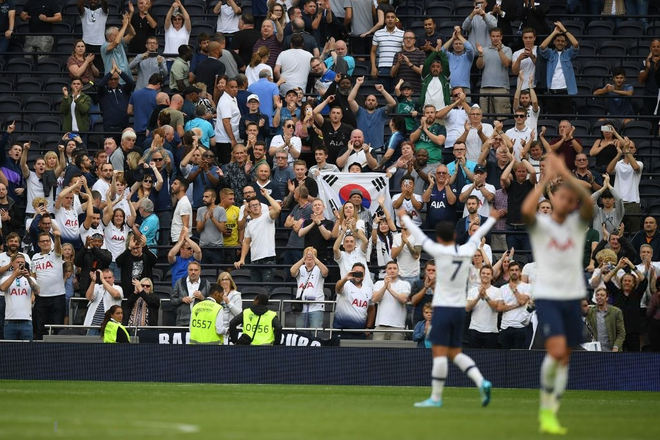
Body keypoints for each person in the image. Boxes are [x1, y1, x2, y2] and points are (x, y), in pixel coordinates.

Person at [520, 152, 594, 435]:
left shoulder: (577, 226)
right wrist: (544, 181)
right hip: (549, 296)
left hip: (572, 296)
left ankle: (551, 409)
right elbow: (527, 211)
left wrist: (566, 172)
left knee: (565, 357)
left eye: (568, 197)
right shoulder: (543, 226)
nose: (564, 201)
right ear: (551, 201)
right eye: (558, 197)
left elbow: (588, 203)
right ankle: (546, 409)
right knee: (557, 349)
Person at [398, 202, 496, 408]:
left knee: (439, 352)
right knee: (454, 353)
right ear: (454, 236)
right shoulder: (468, 249)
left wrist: (405, 218)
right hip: (460, 309)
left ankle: (435, 398)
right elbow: (477, 236)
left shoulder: (438, 251)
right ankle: (482, 381)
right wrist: (492, 219)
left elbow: (421, 236)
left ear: (440, 238)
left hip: (442, 308)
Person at [234, 189, 282, 282]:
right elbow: (246, 242)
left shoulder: (267, 217)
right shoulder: (249, 224)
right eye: (252, 205)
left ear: (261, 207)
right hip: (254, 260)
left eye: (257, 205)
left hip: (268, 259)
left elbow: (278, 208)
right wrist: (242, 259)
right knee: (255, 289)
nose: (255, 207)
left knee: (267, 290)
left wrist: (266, 195)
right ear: (249, 209)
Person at [603, 257, 648, 352]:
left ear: (633, 283)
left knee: (634, 361)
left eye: (629, 281)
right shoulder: (616, 293)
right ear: (621, 282)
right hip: (618, 334)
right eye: (625, 280)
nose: (627, 282)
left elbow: (644, 281)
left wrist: (632, 266)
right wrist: (618, 267)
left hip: (633, 334)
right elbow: (606, 280)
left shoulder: (637, 294)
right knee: (617, 360)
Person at [538, 21, 579, 116]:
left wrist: (564, 30)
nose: (560, 43)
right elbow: (542, 47)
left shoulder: (568, 53)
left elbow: (576, 44)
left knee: (566, 120)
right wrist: (554, 32)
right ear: (554, 42)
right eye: (558, 41)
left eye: (562, 41)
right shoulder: (550, 54)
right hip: (551, 92)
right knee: (553, 121)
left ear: (565, 43)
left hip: (566, 92)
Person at [31, 230, 66, 340]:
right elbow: (33, 277)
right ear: (39, 243)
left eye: (47, 241)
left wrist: (56, 237)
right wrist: (33, 294)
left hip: (57, 296)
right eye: (43, 241)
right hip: (41, 297)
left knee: (57, 326)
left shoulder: (56, 254)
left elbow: (58, 249)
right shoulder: (35, 257)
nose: (45, 243)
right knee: (40, 327)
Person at [606, 138, 643, 235]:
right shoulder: (618, 164)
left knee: (634, 232)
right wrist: (619, 154)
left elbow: (635, 167)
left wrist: (626, 151)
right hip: (618, 202)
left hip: (633, 202)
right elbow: (609, 170)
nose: (629, 149)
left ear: (634, 150)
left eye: (631, 147)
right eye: (627, 147)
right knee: (614, 232)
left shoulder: (639, 163)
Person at [0, 253, 39, 341]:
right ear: (12, 263)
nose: (20, 264)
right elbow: (2, 288)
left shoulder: (30, 279)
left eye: (22, 262)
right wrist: (15, 274)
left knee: (28, 350)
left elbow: (37, 291)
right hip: (9, 321)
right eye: (18, 262)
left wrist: (28, 278)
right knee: (9, 351)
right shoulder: (5, 278)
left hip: (26, 321)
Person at [475, 27, 512, 117]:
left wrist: (499, 50)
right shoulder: (484, 50)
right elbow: (479, 66)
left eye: (497, 36)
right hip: (485, 88)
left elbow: (507, 63)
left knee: (502, 118)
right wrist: (480, 55)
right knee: (485, 119)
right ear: (490, 37)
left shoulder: (507, 49)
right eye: (493, 36)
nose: (495, 38)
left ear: (501, 37)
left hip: (501, 88)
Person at [291, 247, 329, 332]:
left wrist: (314, 258)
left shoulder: (318, 268)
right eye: (307, 254)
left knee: (315, 332)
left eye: (312, 255)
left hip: (316, 306)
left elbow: (325, 272)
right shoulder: (300, 268)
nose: (309, 256)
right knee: (300, 333)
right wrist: (303, 259)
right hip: (301, 307)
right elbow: (292, 272)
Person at [466, 265, 501, 349]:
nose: (485, 275)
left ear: (492, 276)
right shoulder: (472, 290)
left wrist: (485, 296)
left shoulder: (497, 291)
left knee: (489, 359)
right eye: (483, 273)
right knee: (474, 358)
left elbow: (497, 308)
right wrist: (478, 297)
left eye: (488, 274)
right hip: (474, 329)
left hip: (491, 330)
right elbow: (467, 308)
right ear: (480, 275)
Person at [369, 11, 403, 92]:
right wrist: (373, 67)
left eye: (392, 17)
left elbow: (405, 51)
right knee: (383, 95)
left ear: (396, 20)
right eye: (388, 17)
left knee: (396, 95)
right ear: (385, 20)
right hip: (382, 67)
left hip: (398, 68)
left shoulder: (402, 34)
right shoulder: (377, 33)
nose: (390, 19)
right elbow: (373, 52)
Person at [171, 261, 211, 327]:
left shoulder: (206, 284)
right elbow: (172, 300)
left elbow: (212, 303)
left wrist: (202, 298)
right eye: (191, 270)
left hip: (201, 322)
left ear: (199, 272)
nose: (193, 272)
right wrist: (182, 299)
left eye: (196, 270)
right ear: (187, 271)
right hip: (183, 321)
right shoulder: (179, 282)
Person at [84, 268, 123, 336]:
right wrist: (93, 281)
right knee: (89, 346)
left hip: (109, 326)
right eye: (105, 278)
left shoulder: (117, 288)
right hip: (93, 326)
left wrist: (102, 280)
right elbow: (88, 297)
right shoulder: (97, 287)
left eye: (109, 277)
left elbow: (115, 294)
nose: (107, 279)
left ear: (113, 278)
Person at [586, 287, 626, 352]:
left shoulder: (616, 312)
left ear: (607, 298)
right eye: (597, 295)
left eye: (602, 295)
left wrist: (616, 347)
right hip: (596, 351)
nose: (599, 297)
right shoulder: (591, 311)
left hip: (613, 350)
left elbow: (621, 333)